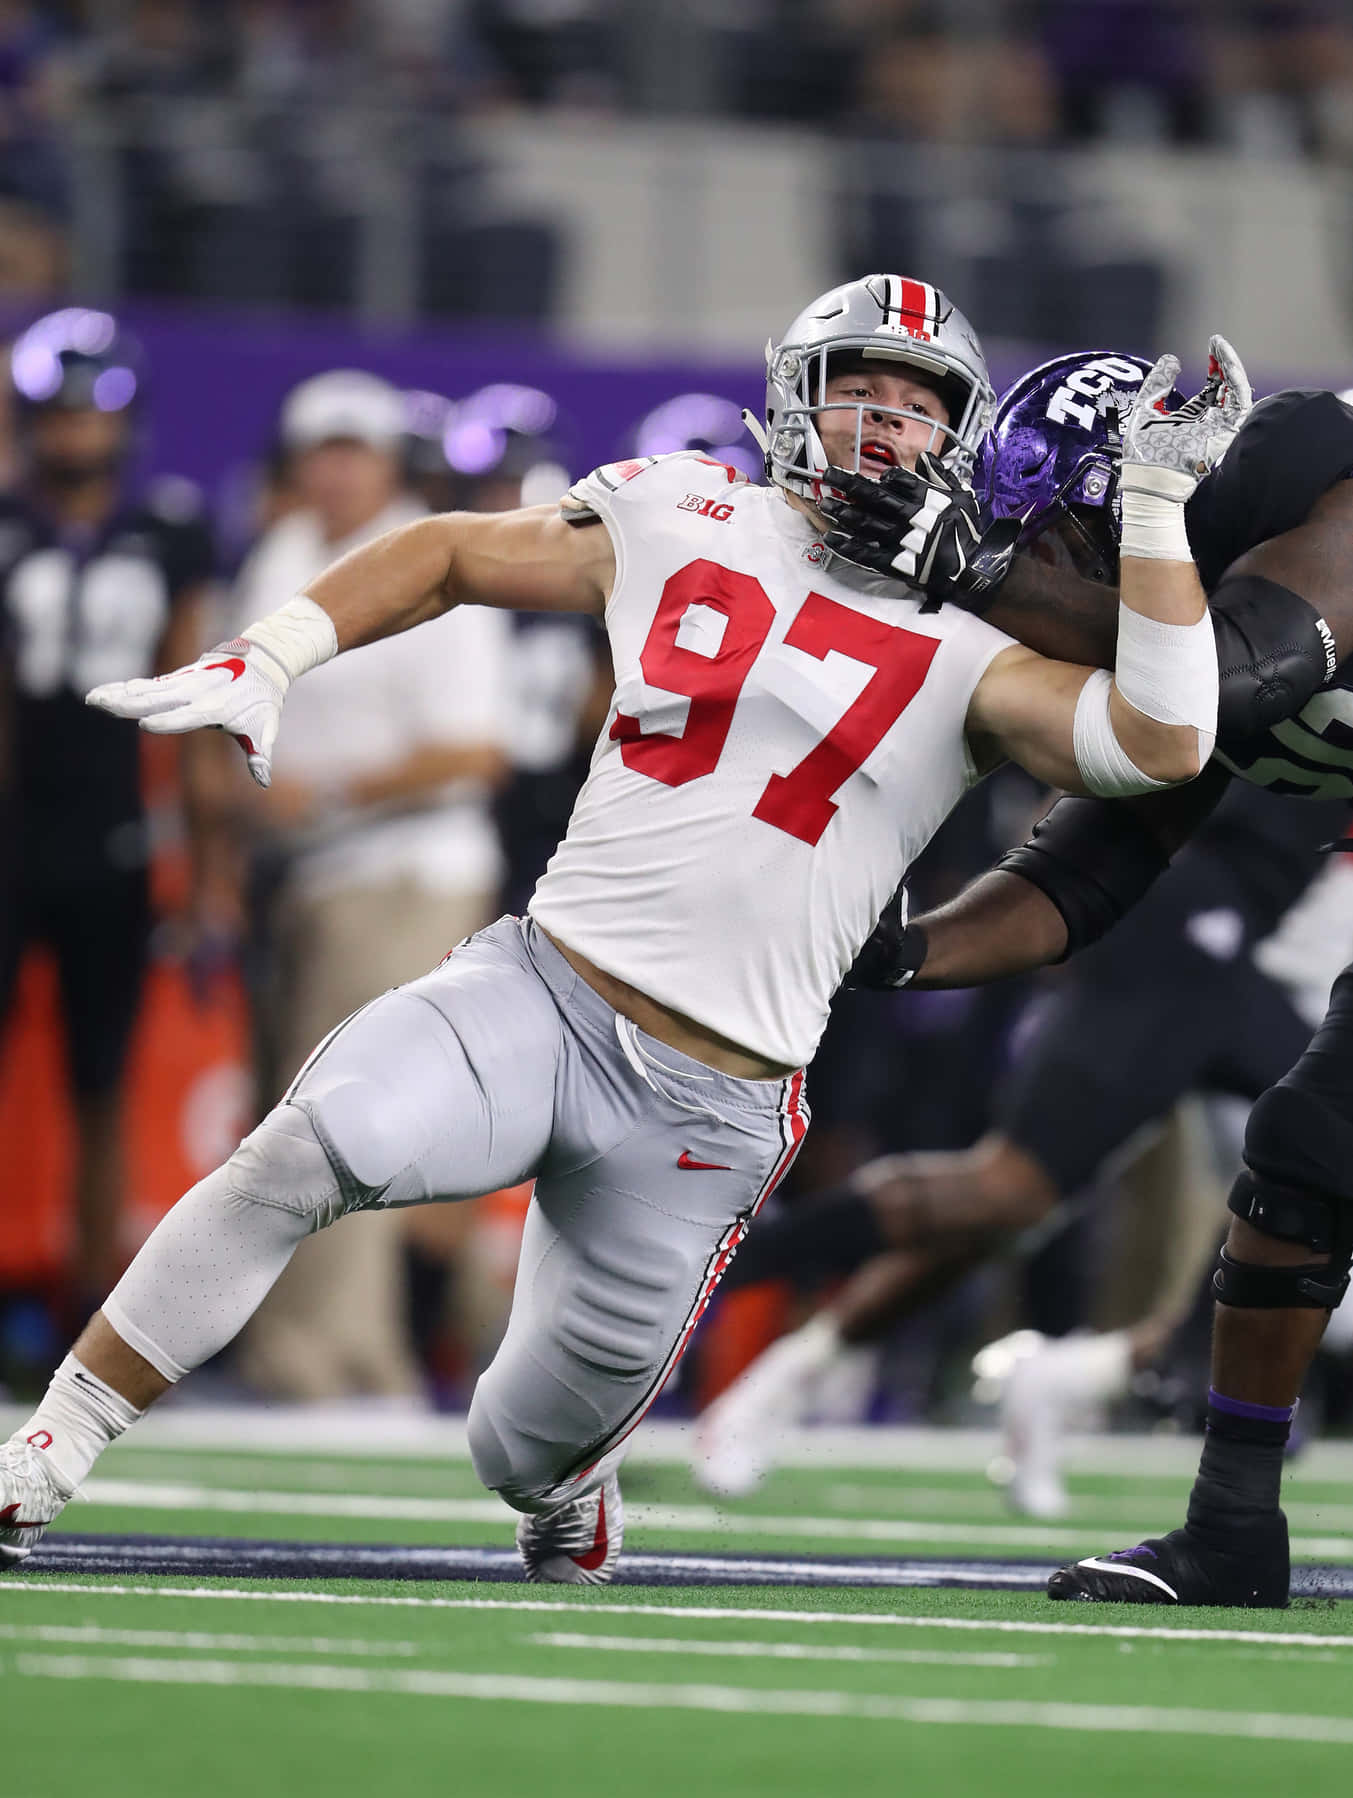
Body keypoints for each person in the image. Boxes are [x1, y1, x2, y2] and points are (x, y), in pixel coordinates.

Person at [0, 275, 1229, 1586]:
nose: (880, 425)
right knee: (308, 1148)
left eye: (914, 405)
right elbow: (450, 549)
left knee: (519, 1444)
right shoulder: (681, 509)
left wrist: (1152, 508)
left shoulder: (976, 642)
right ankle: (46, 1452)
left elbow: (1163, 740)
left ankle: (569, 1481)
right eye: (857, 389)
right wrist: (279, 650)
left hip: (714, 1105)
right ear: (792, 402)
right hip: (543, 994)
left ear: (958, 439)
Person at [692, 355, 1349, 1511]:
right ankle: (1225, 1516)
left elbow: (1231, 680)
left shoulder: (1318, 489)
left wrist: (975, 570)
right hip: (1221, 933)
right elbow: (1081, 876)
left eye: (1053, 541)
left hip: (1248, 933)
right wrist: (892, 952)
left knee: (1282, 1150)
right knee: (1300, 1146)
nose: (1041, 576)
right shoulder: (1189, 630)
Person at [223, 369, 514, 1401]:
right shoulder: (283, 554)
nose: (339, 470)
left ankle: (339, 1358)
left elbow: (475, 753)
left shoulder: (434, 557)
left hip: (406, 875)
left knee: (342, 1119)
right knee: (313, 1115)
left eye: (357, 451)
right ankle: (350, 1345)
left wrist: (329, 791)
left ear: (391, 462)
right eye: (323, 450)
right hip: (305, 876)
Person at [0, 306, 218, 1312]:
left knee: (100, 1084)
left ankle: (89, 1308)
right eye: (61, 412)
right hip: (12, 831)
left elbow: (198, 692)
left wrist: (205, 871)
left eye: (95, 413)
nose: (77, 431)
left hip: (116, 836)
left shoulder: (166, 532)